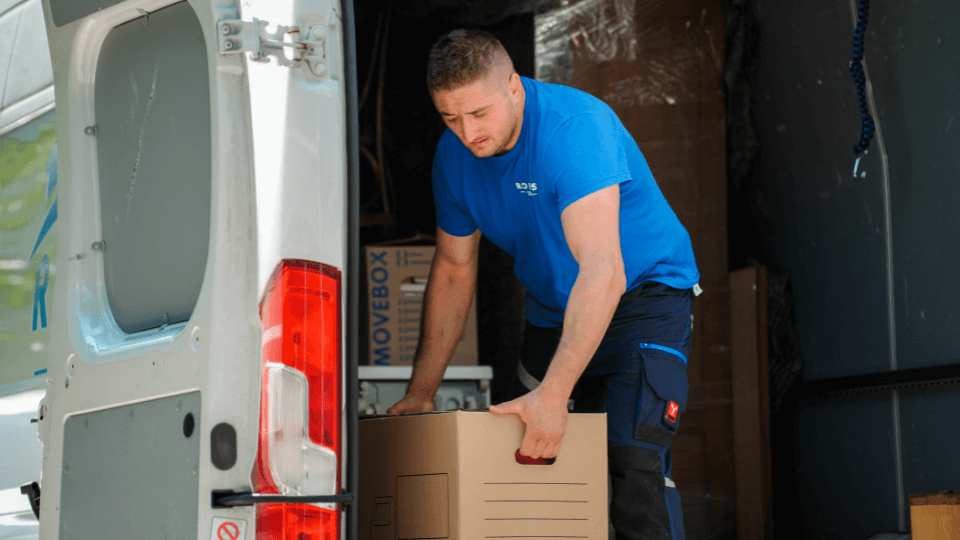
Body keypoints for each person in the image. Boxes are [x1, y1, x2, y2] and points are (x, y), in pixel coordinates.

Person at [387, 28, 700, 540]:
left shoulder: (574, 130)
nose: (467, 133)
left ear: (514, 87)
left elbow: (604, 270)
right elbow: (453, 269)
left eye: (479, 113)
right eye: (450, 117)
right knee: (529, 470)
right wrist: (422, 393)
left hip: (640, 301)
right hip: (553, 313)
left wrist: (554, 393)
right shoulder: (455, 157)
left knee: (631, 467)